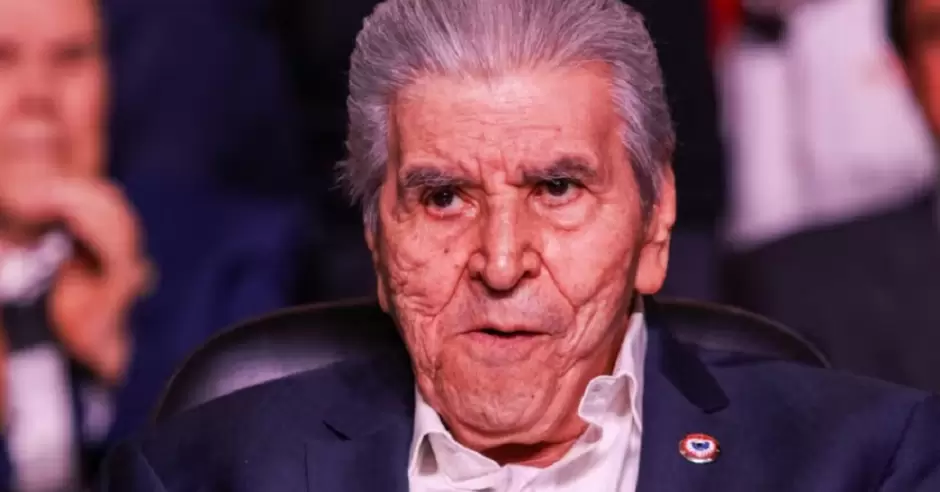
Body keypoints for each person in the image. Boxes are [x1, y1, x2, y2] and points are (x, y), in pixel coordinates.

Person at [97, 0, 940, 490]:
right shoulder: (200, 475)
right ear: (376, 238)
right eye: (442, 197)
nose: (501, 264)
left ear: (655, 223)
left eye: (557, 189)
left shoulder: (867, 462)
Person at [0, 0, 302, 488]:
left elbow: (256, 473)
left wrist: (124, 359)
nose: (38, 93)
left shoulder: (226, 263)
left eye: (72, 56)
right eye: (1, 58)